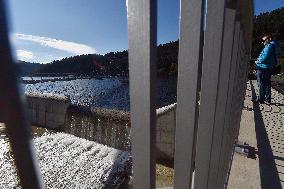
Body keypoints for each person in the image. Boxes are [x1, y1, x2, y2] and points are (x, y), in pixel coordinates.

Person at [255, 34, 280, 104]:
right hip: (269, 67)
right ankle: (268, 99)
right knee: (267, 83)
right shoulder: (275, 45)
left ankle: (260, 99)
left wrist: (257, 61)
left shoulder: (269, 46)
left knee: (261, 83)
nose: (262, 42)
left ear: (269, 39)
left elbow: (265, 57)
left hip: (263, 67)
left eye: (263, 40)